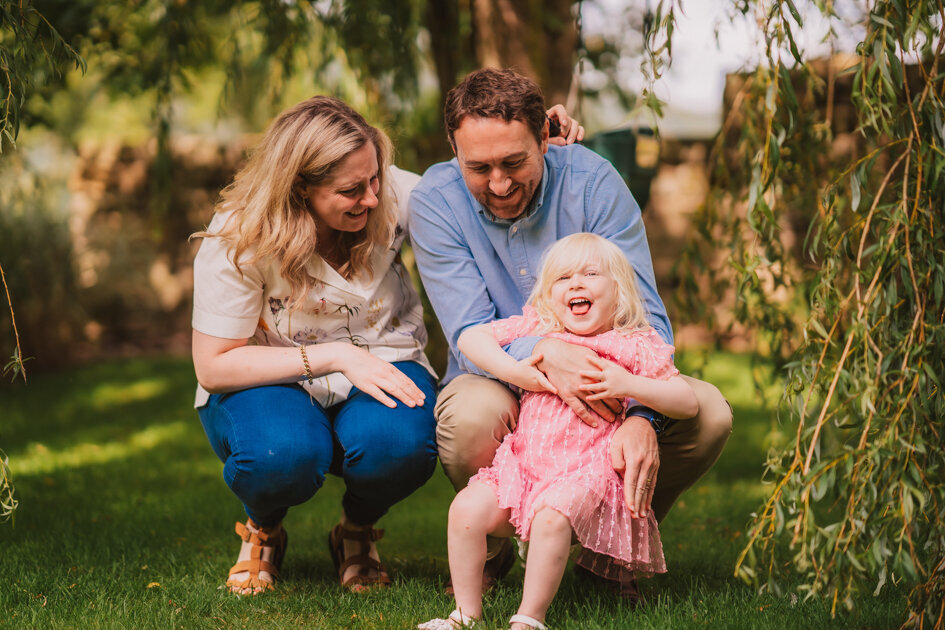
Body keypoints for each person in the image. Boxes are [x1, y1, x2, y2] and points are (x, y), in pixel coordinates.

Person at [408, 67, 733, 599]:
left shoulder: (592, 182)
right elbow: (470, 328)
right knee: (468, 418)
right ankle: (491, 550)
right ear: (453, 148)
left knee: (709, 413)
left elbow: (643, 312)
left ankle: (608, 550)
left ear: (546, 138)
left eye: (515, 162)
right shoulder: (436, 201)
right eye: (479, 167)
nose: (499, 184)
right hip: (496, 372)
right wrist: (545, 352)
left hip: (611, 369)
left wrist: (643, 416)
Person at [190, 96, 438, 594]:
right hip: (272, 373)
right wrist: (337, 356)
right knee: (280, 453)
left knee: (400, 445)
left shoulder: (389, 192)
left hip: (386, 354)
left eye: (375, 179)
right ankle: (263, 528)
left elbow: (478, 187)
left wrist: (548, 144)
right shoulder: (239, 233)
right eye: (350, 190)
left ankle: (355, 530)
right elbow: (213, 366)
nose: (371, 198)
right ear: (300, 187)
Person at [419, 233, 698, 630]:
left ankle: (529, 618)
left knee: (552, 518)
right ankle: (465, 614)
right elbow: (471, 336)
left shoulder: (631, 345)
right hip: (524, 467)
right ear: (549, 297)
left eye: (590, 273)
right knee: (465, 508)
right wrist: (518, 371)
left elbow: (686, 400)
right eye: (563, 278)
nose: (577, 283)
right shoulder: (538, 328)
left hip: (587, 474)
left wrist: (628, 385)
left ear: (618, 292)